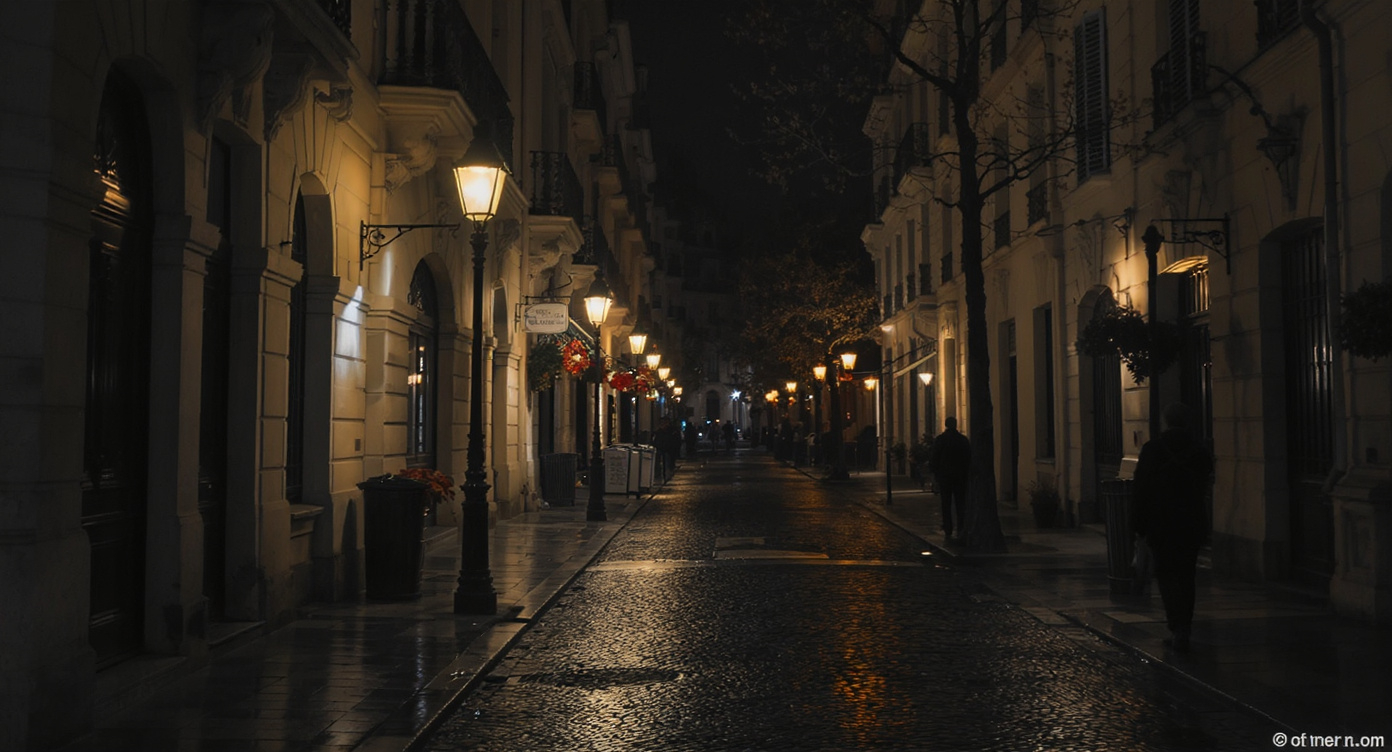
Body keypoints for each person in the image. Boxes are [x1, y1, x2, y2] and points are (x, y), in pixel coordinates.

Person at [1132, 403, 1213, 653]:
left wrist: (1138, 525)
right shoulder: (1200, 451)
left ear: (1165, 422)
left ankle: (1175, 625)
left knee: (1166, 574)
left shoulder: (1153, 449)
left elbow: (1141, 489)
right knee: (1186, 575)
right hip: (1190, 522)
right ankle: (1184, 627)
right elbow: (1205, 485)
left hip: (1161, 523)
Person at [929, 416, 971, 540]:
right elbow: (968, 458)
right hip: (960, 476)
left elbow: (934, 458)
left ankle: (948, 527)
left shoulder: (941, 440)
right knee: (960, 503)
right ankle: (961, 526)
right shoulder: (963, 440)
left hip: (945, 476)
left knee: (945, 503)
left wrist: (935, 474)